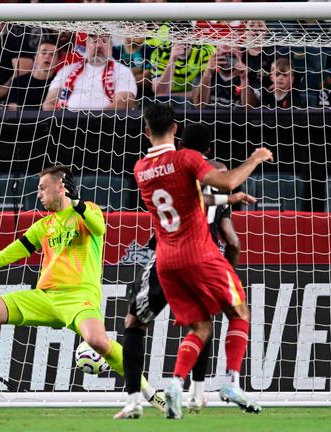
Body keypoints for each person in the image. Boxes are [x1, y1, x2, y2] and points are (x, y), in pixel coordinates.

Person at [0, 165, 166, 414]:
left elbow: (99, 228)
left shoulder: (88, 211)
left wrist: (77, 203)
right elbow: (4, 256)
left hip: (79, 299)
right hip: (43, 298)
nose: (38, 194)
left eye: (42, 188)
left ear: (61, 187)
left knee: (98, 341)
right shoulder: (42, 227)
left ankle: (150, 393)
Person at [134, 103, 273, 419]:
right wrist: (255, 158)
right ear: (175, 129)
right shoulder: (186, 158)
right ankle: (232, 383)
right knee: (240, 311)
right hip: (199, 252)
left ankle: (175, 384)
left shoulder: (141, 168)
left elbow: (193, 197)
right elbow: (225, 180)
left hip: (166, 262)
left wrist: (229, 200)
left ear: (146, 131)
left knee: (200, 326)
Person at [43, 33, 137, 111]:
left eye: (104, 41)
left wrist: (93, 123)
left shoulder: (123, 71)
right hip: (65, 126)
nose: (99, 45)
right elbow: (49, 103)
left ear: (111, 46)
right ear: (87, 45)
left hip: (105, 126)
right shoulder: (66, 70)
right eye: (94, 41)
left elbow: (123, 103)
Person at [191, 45, 258, 108]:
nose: (226, 52)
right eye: (222, 48)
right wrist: (207, 73)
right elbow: (198, 106)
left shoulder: (250, 77)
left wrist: (244, 79)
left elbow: (250, 109)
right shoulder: (204, 75)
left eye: (231, 47)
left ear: (241, 53)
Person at [6, 37, 57, 111]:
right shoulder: (18, 82)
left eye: (52, 54)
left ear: (59, 60)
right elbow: (12, 108)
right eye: (43, 52)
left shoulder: (60, 83)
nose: (47, 56)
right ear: (36, 58)